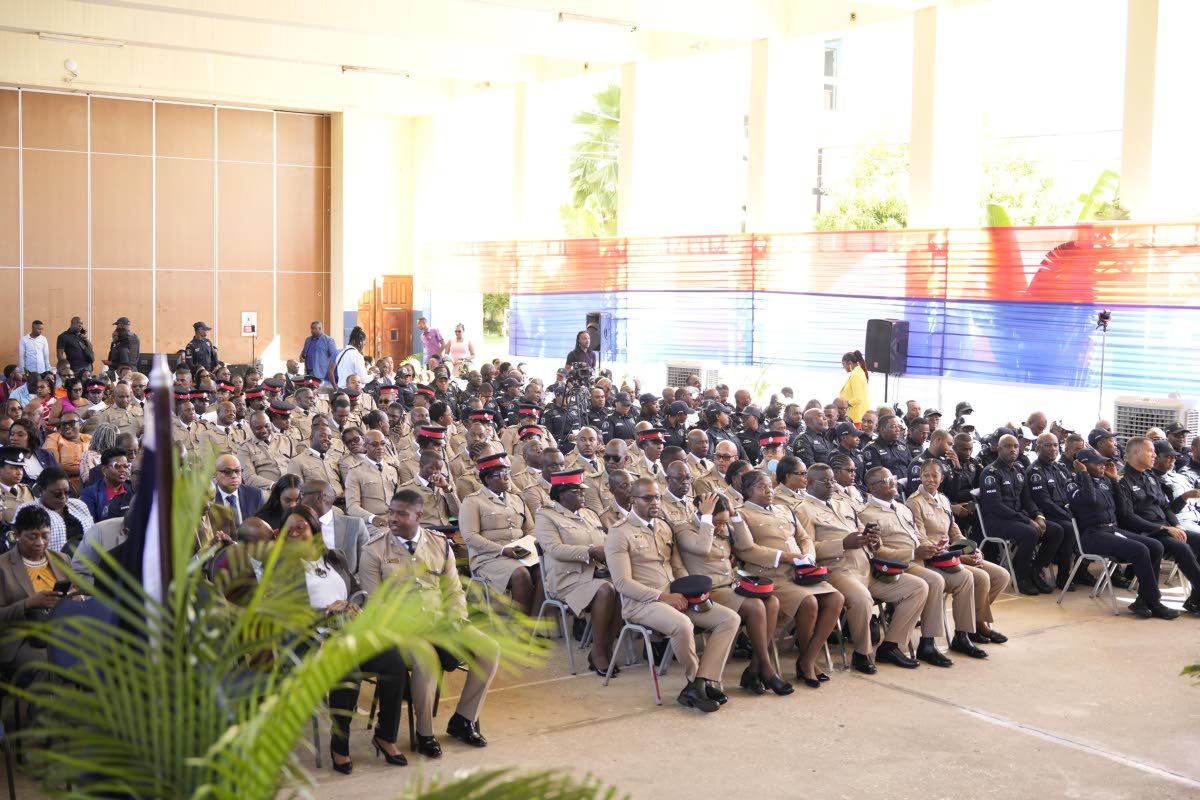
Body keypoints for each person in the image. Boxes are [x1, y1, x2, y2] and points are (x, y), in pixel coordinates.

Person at [283, 503, 410, 773]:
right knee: (348, 672)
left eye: (300, 528)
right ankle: (339, 746)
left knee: (395, 664)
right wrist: (326, 611)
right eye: (289, 530)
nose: (294, 533)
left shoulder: (335, 557)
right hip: (314, 640)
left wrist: (355, 606)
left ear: (314, 529)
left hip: (349, 632)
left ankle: (385, 736)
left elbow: (355, 588)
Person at [605, 477, 740, 712]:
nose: (655, 502)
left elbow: (677, 566)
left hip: (675, 596)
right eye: (647, 498)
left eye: (657, 497)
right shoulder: (619, 533)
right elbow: (622, 583)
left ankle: (701, 682)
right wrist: (662, 597)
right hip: (642, 603)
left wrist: (691, 590)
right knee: (683, 625)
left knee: (729, 619)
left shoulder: (664, 527)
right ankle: (693, 680)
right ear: (632, 500)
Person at [799, 464, 928, 674]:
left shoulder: (843, 504)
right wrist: (842, 544)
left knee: (917, 587)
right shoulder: (803, 510)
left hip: (867, 567)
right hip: (838, 570)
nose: (832, 484)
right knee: (862, 599)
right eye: (826, 481)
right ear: (810, 483)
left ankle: (891, 645)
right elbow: (808, 548)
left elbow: (860, 532)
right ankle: (862, 653)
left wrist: (872, 539)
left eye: (833, 480)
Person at [860, 466, 987, 665]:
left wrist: (933, 549)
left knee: (965, 577)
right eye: (886, 481)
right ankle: (927, 643)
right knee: (934, 580)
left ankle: (963, 636)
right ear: (872, 488)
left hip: (920, 560)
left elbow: (917, 536)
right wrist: (913, 553)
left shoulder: (901, 507)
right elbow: (876, 552)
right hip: (894, 566)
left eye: (892, 477)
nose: (893, 482)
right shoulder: (866, 514)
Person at [734, 471, 845, 688]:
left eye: (770, 486)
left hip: (801, 573)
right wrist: (785, 557)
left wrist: (808, 556)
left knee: (836, 599)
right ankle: (806, 661)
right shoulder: (742, 514)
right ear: (748, 491)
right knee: (809, 602)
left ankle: (807, 658)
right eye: (761, 487)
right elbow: (745, 550)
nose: (768, 491)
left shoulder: (785, 509)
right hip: (772, 577)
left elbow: (804, 538)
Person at [1067, 448, 1179, 619]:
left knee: (1155, 546)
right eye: (1097, 463)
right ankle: (1154, 602)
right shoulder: (1073, 483)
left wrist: (1114, 481)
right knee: (1140, 550)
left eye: (1102, 462)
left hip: (1112, 530)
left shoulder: (1105, 481)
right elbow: (1090, 499)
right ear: (1083, 464)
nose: (1102, 465)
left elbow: (1122, 508)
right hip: (1092, 535)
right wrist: (1083, 474)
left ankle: (1143, 600)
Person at [906, 460, 1010, 642]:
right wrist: (959, 556)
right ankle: (971, 630)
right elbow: (922, 540)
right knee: (981, 577)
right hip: (935, 559)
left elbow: (954, 530)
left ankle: (976, 622)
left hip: (953, 555)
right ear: (920, 477)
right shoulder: (914, 502)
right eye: (926, 475)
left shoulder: (944, 499)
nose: (930, 479)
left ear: (942, 478)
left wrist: (971, 549)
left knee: (1001, 575)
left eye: (934, 475)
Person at [533, 469, 623, 676]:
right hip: (567, 578)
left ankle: (606, 646)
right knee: (606, 590)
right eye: (578, 491)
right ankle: (599, 651)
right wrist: (590, 551)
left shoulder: (589, 514)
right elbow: (554, 549)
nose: (583, 495)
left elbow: (606, 541)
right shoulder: (546, 516)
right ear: (563, 494)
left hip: (597, 574)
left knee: (623, 588)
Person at [1116, 437, 1200, 613]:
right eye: (1150, 451)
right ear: (1137, 452)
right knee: (1182, 548)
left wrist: (1177, 524)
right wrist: (1163, 528)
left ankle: (1196, 598)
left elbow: (1165, 507)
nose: (1154, 456)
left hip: (1165, 529)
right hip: (1144, 533)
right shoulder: (1122, 480)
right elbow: (1127, 518)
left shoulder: (1150, 477)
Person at [458, 451, 543, 616]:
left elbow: (530, 529)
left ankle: (533, 625)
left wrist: (531, 547)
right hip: (489, 557)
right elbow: (470, 536)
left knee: (544, 572)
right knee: (521, 574)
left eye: (507, 473)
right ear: (488, 479)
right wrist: (503, 550)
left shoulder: (516, 499)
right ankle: (522, 628)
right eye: (501, 474)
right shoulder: (473, 501)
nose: (506, 478)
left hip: (520, 553)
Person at [977, 434, 1064, 595]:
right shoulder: (990, 472)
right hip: (996, 521)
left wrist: (1038, 516)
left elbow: (1027, 499)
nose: (1013, 450)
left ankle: (1035, 570)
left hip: (1017, 518)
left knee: (1056, 530)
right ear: (999, 448)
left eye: (1016, 446)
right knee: (1030, 532)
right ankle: (1021, 577)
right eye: (1008, 446)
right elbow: (996, 506)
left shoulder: (1018, 469)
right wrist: (1028, 521)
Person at [0, 505, 77, 683]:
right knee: (49, 665)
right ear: (17, 535)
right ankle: (44, 710)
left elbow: (75, 591)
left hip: (61, 631)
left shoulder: (61, 559)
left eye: (45, 535)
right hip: (21, 638)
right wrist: (28, 604)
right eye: (32, 536)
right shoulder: (3, 567)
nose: (40, 542)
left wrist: (75, 597)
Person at [16, 467, 93, 553]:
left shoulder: (78, 505)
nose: (63, 497)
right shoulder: (29, 510)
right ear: (41, 491)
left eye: (67, 492)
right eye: (57, 494)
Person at [299, 480, 366, 575]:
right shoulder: (297, 527)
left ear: (319, 497)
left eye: (302, 494)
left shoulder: (355, 525)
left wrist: (350, 586)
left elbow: (366, 566)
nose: (298, 500)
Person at [210, 454, 265, 529]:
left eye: (237, 471)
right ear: (215, 474)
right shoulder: (209, 498)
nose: (234, 476)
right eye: (227, 472)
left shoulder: (255, 495)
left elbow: (262, 528)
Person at [79, 448, 133, 522]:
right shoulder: (90, 494)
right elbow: (90, 526)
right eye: (117, 466)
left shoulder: (132, 489)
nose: (123, 470)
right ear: (104, 470)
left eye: (126, 466)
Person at [299, 321, 338, 386]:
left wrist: (332, 372)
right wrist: (302, 355)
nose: (311, 330)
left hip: (321, 374)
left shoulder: (328, 340)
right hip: (308, 372)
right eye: (311, 328)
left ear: (320, 328)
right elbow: (304, 352)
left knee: (320, 393)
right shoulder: (308, 340)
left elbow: (335, 356)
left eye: (314, 328)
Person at [839, 350, 870, 424]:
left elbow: (858, 399)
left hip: (855, 417)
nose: (843, 367)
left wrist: (844, 404)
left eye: (843, 364)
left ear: (850, 363)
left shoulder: (855, 376)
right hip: (857, 415)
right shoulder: (859, 372)